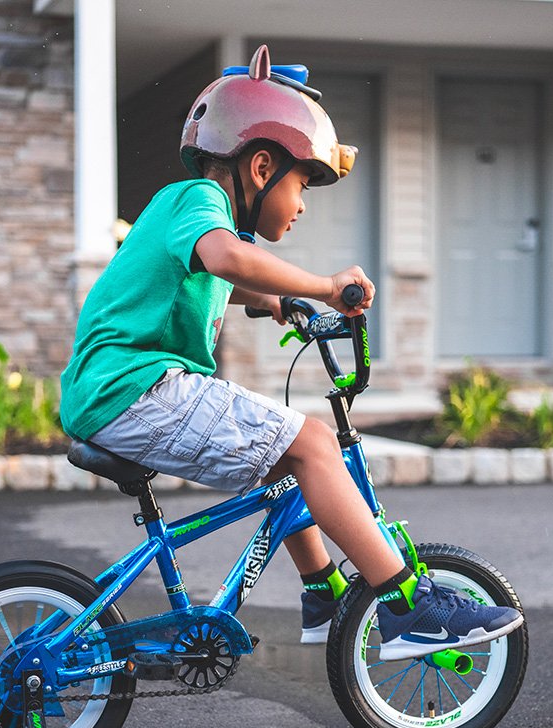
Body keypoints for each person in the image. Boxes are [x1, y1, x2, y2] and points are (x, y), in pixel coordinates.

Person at [60, 45, 522, 660]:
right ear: (259, 168)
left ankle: (322, 590)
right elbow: (225, 257)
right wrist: (325, 285)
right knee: (310, 442)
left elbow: (215, 273)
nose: (302, 204)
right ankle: (411, 608)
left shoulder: (195, 217)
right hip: (133, 389)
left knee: (286, 456)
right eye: (302, 183)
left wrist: (276, 303)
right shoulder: (199, 202)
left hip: (120, 391)